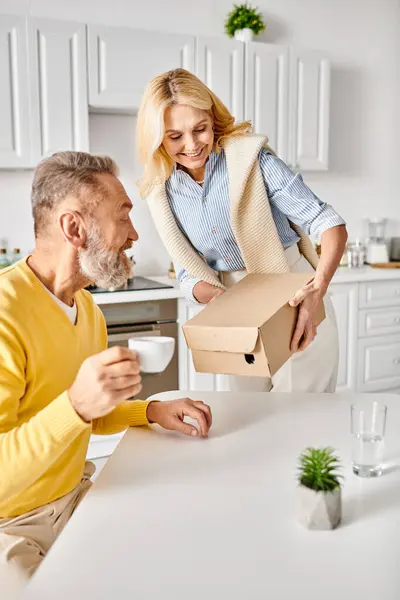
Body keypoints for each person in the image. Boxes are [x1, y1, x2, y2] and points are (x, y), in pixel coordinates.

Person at [0, 151, 212, 580]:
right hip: (12, 526)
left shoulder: (87, 309)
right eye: (123, 217)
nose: (134, 235)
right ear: (74, 228)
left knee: (178, 564)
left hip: (76, 498)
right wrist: (76, 404)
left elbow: (87, 418)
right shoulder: (6, 314)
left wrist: (149, 410)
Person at [136, 68, 348, 393]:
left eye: (200, 129)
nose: (192, 145)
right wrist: (217, 297)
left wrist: (316, 290)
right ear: (156, 138)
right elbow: (188, 273)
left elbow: (328, 223)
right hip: (235, 307)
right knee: (247, 417)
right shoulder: (161, 189)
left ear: (212, 119)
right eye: (175, 136)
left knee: (303, 420)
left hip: (292, 290)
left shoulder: (252, 160)